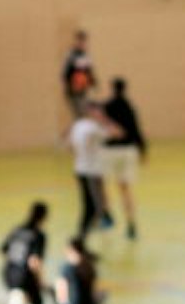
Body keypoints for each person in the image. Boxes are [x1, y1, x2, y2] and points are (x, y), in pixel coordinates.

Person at [101, 77, 148, 241]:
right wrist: (143, 150)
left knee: (103, 185)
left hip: (110, 151)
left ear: (112, 88)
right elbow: (136, 130)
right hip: (128, 151)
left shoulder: (106, 107)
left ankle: (107, 215)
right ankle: (131, 223)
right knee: (125, 189)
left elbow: (101, 126)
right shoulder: (129, 107)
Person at [67, 99, 114, 238]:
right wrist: (105, 121)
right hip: (90, 171)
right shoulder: (93, 128)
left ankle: (85, 233)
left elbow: (70, 146)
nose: (101, 113)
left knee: (91, 204)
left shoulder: (79, 125)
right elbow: (116, 133)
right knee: (91, 206)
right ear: (91, 112)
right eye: (98, 111)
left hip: (82, 169)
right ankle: (81, 237)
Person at [0, 200, 49, 304]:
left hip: (8, 274)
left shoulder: (17, 230)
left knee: (16, 302)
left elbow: (4, 250)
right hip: (24, 276)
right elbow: (34, 262)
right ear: (44, 217)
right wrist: (41, 282)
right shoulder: (38, 235)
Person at [54, 236, 105, 304]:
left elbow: (61, 294)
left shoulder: (66, 267)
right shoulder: (89, 267)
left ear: (69, 249)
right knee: (103, 294)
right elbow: (94, 291)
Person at [61, 29, 96, 121]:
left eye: (83, 41)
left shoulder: (86, 55)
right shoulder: (71, 55)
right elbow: (65, 73)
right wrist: (69, 86)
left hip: (82, 88)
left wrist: (93, 82)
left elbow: (89, 71)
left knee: (84, 112)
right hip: (73, 89)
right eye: (80, 41)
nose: (82, 44)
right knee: (79, 112)